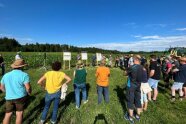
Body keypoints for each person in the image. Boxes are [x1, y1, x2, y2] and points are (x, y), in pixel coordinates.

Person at [0, 59, 31, 124]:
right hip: (20, 97)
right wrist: (29, 92)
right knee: (19, 113)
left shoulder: (6, 75)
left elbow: (1, 87)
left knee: (8, 114)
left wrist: (7, 92)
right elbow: (28, 88)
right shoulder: (24, 75)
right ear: (22, 66)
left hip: (9, 97)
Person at [124, 55, 144, 123]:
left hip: (131, 86)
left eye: (133, 60)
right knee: (138, 100)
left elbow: (125, 73)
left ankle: (130, 117)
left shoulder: (132, 67)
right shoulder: (142, 67)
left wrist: (126, 71)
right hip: (138, 85)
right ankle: (138, 116)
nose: (132, 61)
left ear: (135, 60)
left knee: (130, 101)